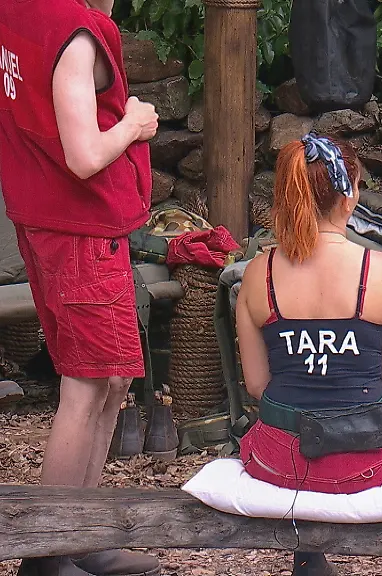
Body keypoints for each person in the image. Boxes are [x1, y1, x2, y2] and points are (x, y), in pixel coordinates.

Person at [0, 0, 162, 574]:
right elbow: (85, 156)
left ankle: (84, 532)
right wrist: (134, 124)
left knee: (111, 380)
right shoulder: (75, 36)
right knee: (87, 386)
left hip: (47, 218)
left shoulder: (15, 11)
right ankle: (49, 551)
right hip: (80, 230)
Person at [234, 134, 382, 576]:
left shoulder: (257, 273)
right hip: (366, 459)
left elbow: (256, 385)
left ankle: (308, 559)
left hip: (280, 461)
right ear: (349, 197)